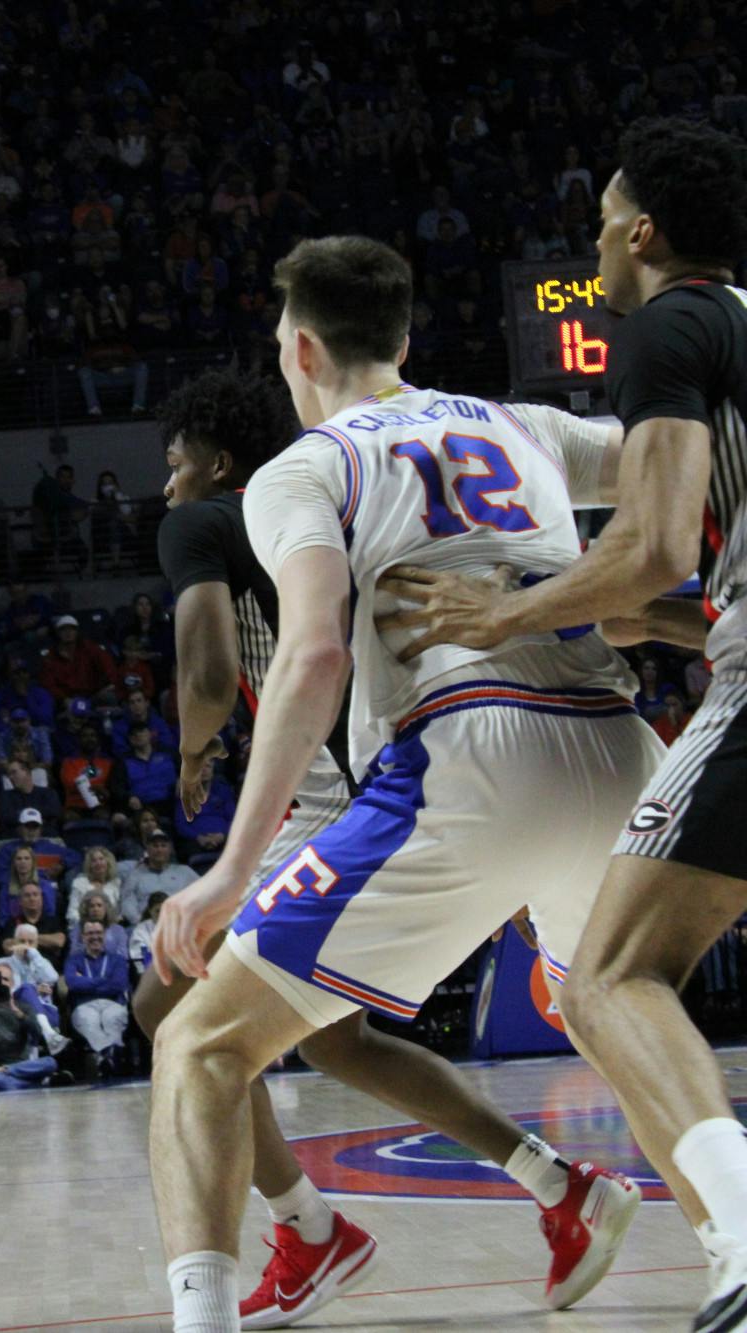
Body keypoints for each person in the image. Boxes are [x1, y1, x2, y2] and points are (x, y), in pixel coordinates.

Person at [144, 236, 660, 1333]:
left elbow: (277, 659)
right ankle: (615, 1204)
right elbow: (661, 458)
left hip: (420, 766)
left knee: (188, 1020)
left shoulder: (270, 484)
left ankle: (302, 1234)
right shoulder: (513, 422)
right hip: (618, 740)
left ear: (296, 348)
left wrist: (218, 827)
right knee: (605, 1012)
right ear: (405, 340)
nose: (165, 476)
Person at [375, 118, 747, 1330]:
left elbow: (641, 544)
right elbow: (669, 586)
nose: (589, 240)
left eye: (599, 220)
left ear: (640, 233)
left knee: (608, 977)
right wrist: (673, 625)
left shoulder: (666, 326)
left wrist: (498, 614)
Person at [0, 960, 55, 1090]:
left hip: (21, 1064)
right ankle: (41, 1082)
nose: (1, 983)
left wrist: (20, 1015)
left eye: (5, 979)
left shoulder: (23, 1007)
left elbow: (37, 1035)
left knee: (50, 1062)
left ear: (13, 984)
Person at [61, 921, 130, 1073]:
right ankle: (110, 1054)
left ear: (104, 935)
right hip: (84, 1005)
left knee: (112, 1019)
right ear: (83, 937)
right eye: (90, 934)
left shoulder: (117, 959)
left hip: (113, 1003)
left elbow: (118, 985)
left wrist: (85, 981)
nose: (95, 937)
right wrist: (104, 980)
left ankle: (104, 1058)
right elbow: (72, 983)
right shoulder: (73, 960)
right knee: (88, 1021)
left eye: (98, 933)